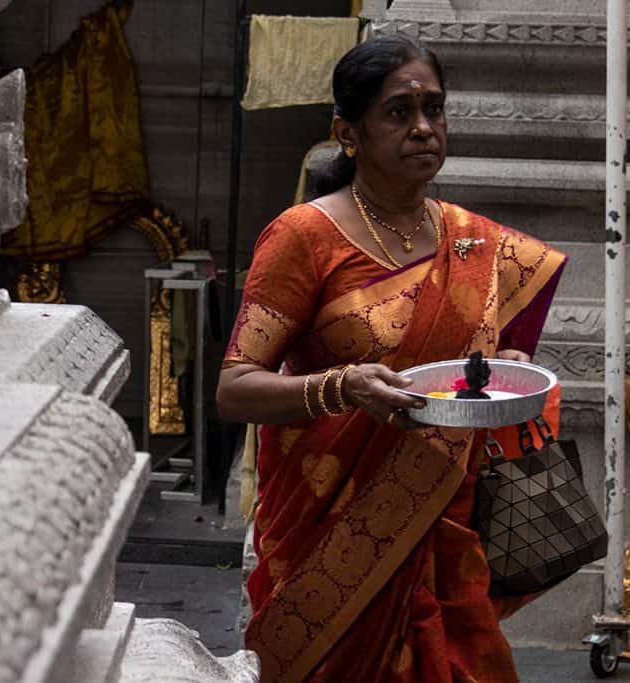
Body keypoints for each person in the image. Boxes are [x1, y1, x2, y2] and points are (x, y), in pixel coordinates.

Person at [216, 35, 566, 682]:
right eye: (398, 113)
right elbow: (235, 387)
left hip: (442, 527)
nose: (425, 128)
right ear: (347, 133)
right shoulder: (304, 237)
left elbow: (493, 361)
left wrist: (504, 364)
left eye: (434, 108)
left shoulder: (474, 242)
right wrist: (343, 387)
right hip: (328, 534)